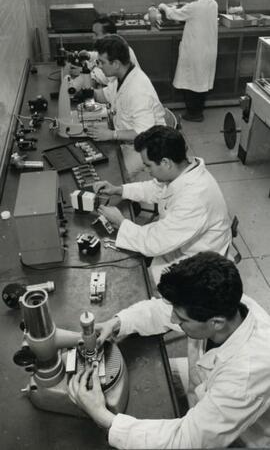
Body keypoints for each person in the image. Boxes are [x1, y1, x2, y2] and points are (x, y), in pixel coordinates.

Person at [68, 251, 270, 448]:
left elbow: (187, 440)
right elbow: (164, 310)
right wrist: (117, 322)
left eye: (181, 320)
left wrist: (102, 416)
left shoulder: (246, 376)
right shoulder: (225, 303)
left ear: (216, 323)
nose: (173, 320)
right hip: (205, 394)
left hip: (238, 436)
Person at [93, 125, 232, 284]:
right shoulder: (182, 171)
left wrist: (121, 222)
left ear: (166, 162)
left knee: (141, 283)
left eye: (148, 165)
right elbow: (155, 189)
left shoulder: (195, 198)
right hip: (179, 243)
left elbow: (156, 242)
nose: (146, 170)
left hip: (198, 263)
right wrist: (119, 190)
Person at [88, 35, 165, 179]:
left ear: (116, 63)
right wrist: (86, 92)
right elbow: (105, 95)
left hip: (147, 146)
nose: (99, 66)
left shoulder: (138, 89)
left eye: (102, 62)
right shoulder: (122, 77)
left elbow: (144, 132)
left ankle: (124, 195)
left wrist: (111, 134)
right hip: (127, 139)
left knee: (112, 176)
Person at [159, 0, 218, 123]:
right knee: (201, 82)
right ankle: (197, 112)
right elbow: (190, 11)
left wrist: (163, 6)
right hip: (208, 51)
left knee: (191, 83)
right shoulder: (213, 4)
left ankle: (193, 114)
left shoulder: (195, 7)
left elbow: (174, 14)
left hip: (196, 53)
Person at [79, 15, 139, 86]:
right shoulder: (113, 47)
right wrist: (88, 55)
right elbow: (100, 56)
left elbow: (103, 77)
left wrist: (81, 72)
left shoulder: (119, 51)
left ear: (108, 36)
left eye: (96, 34)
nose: (93, 37)